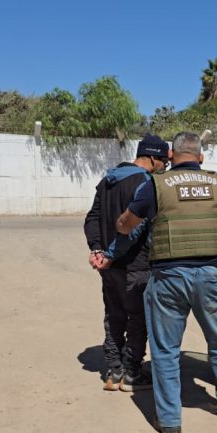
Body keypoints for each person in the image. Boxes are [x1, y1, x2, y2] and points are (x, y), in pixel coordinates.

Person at [98, 131, 217, 433]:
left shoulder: (156, 185)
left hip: (169, 277)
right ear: (200, 157)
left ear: (171, 156)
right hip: (213, 276)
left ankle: (169, 422)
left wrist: (120, 227)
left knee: (166, 350)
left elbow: (126, 224)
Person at [83, 134, 169, 392]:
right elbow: (135, 229)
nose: (164, 166)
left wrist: (97, 250)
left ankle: (113, 371)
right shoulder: (146, 183)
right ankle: (131, 373)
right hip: (135, 265)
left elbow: (92, 218)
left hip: (109, 268)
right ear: (152, 158)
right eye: (163, 161)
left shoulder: (107, 180)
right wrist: (110, 254)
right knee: (137, 319)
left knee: (114, 316)